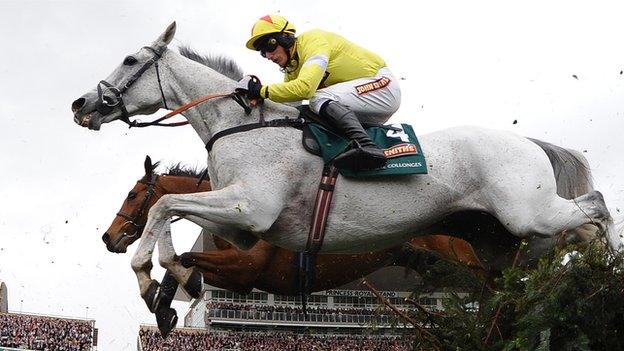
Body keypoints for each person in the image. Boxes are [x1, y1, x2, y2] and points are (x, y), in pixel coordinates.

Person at [237, 14, 402, 171]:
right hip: (362, 104)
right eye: (262, 52)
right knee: (305, 114)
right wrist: (257, 100)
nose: (268, 55)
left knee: (317, 98)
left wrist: (261, 91)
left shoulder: (313, 40)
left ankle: (368, 147)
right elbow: (287, 106)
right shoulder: (292, 69)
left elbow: (305, 88)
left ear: (285, 37)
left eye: (269, 45)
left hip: (382, 86)